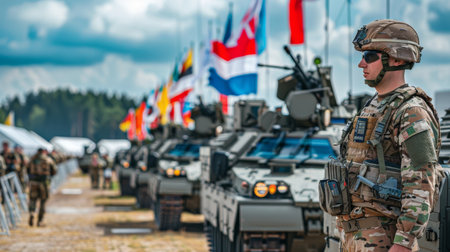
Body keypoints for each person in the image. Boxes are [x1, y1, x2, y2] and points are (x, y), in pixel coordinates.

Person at [320, 19, 445, 252]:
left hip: (384, 239)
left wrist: (404, 243)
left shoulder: (411, 111)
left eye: (369, 57)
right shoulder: (373, 106)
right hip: (354, 235)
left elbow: (421, 182)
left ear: (396, 59)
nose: (360, 64)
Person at [27, 148, 57, 227]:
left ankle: (32, 213)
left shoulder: (32, 159)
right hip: (44, 183)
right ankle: (40, 220)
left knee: (33, 199)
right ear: (44, 152)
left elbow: (27, 169)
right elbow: (54, 171)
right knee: (43, 201)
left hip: (33, 182)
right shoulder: (48, 159)